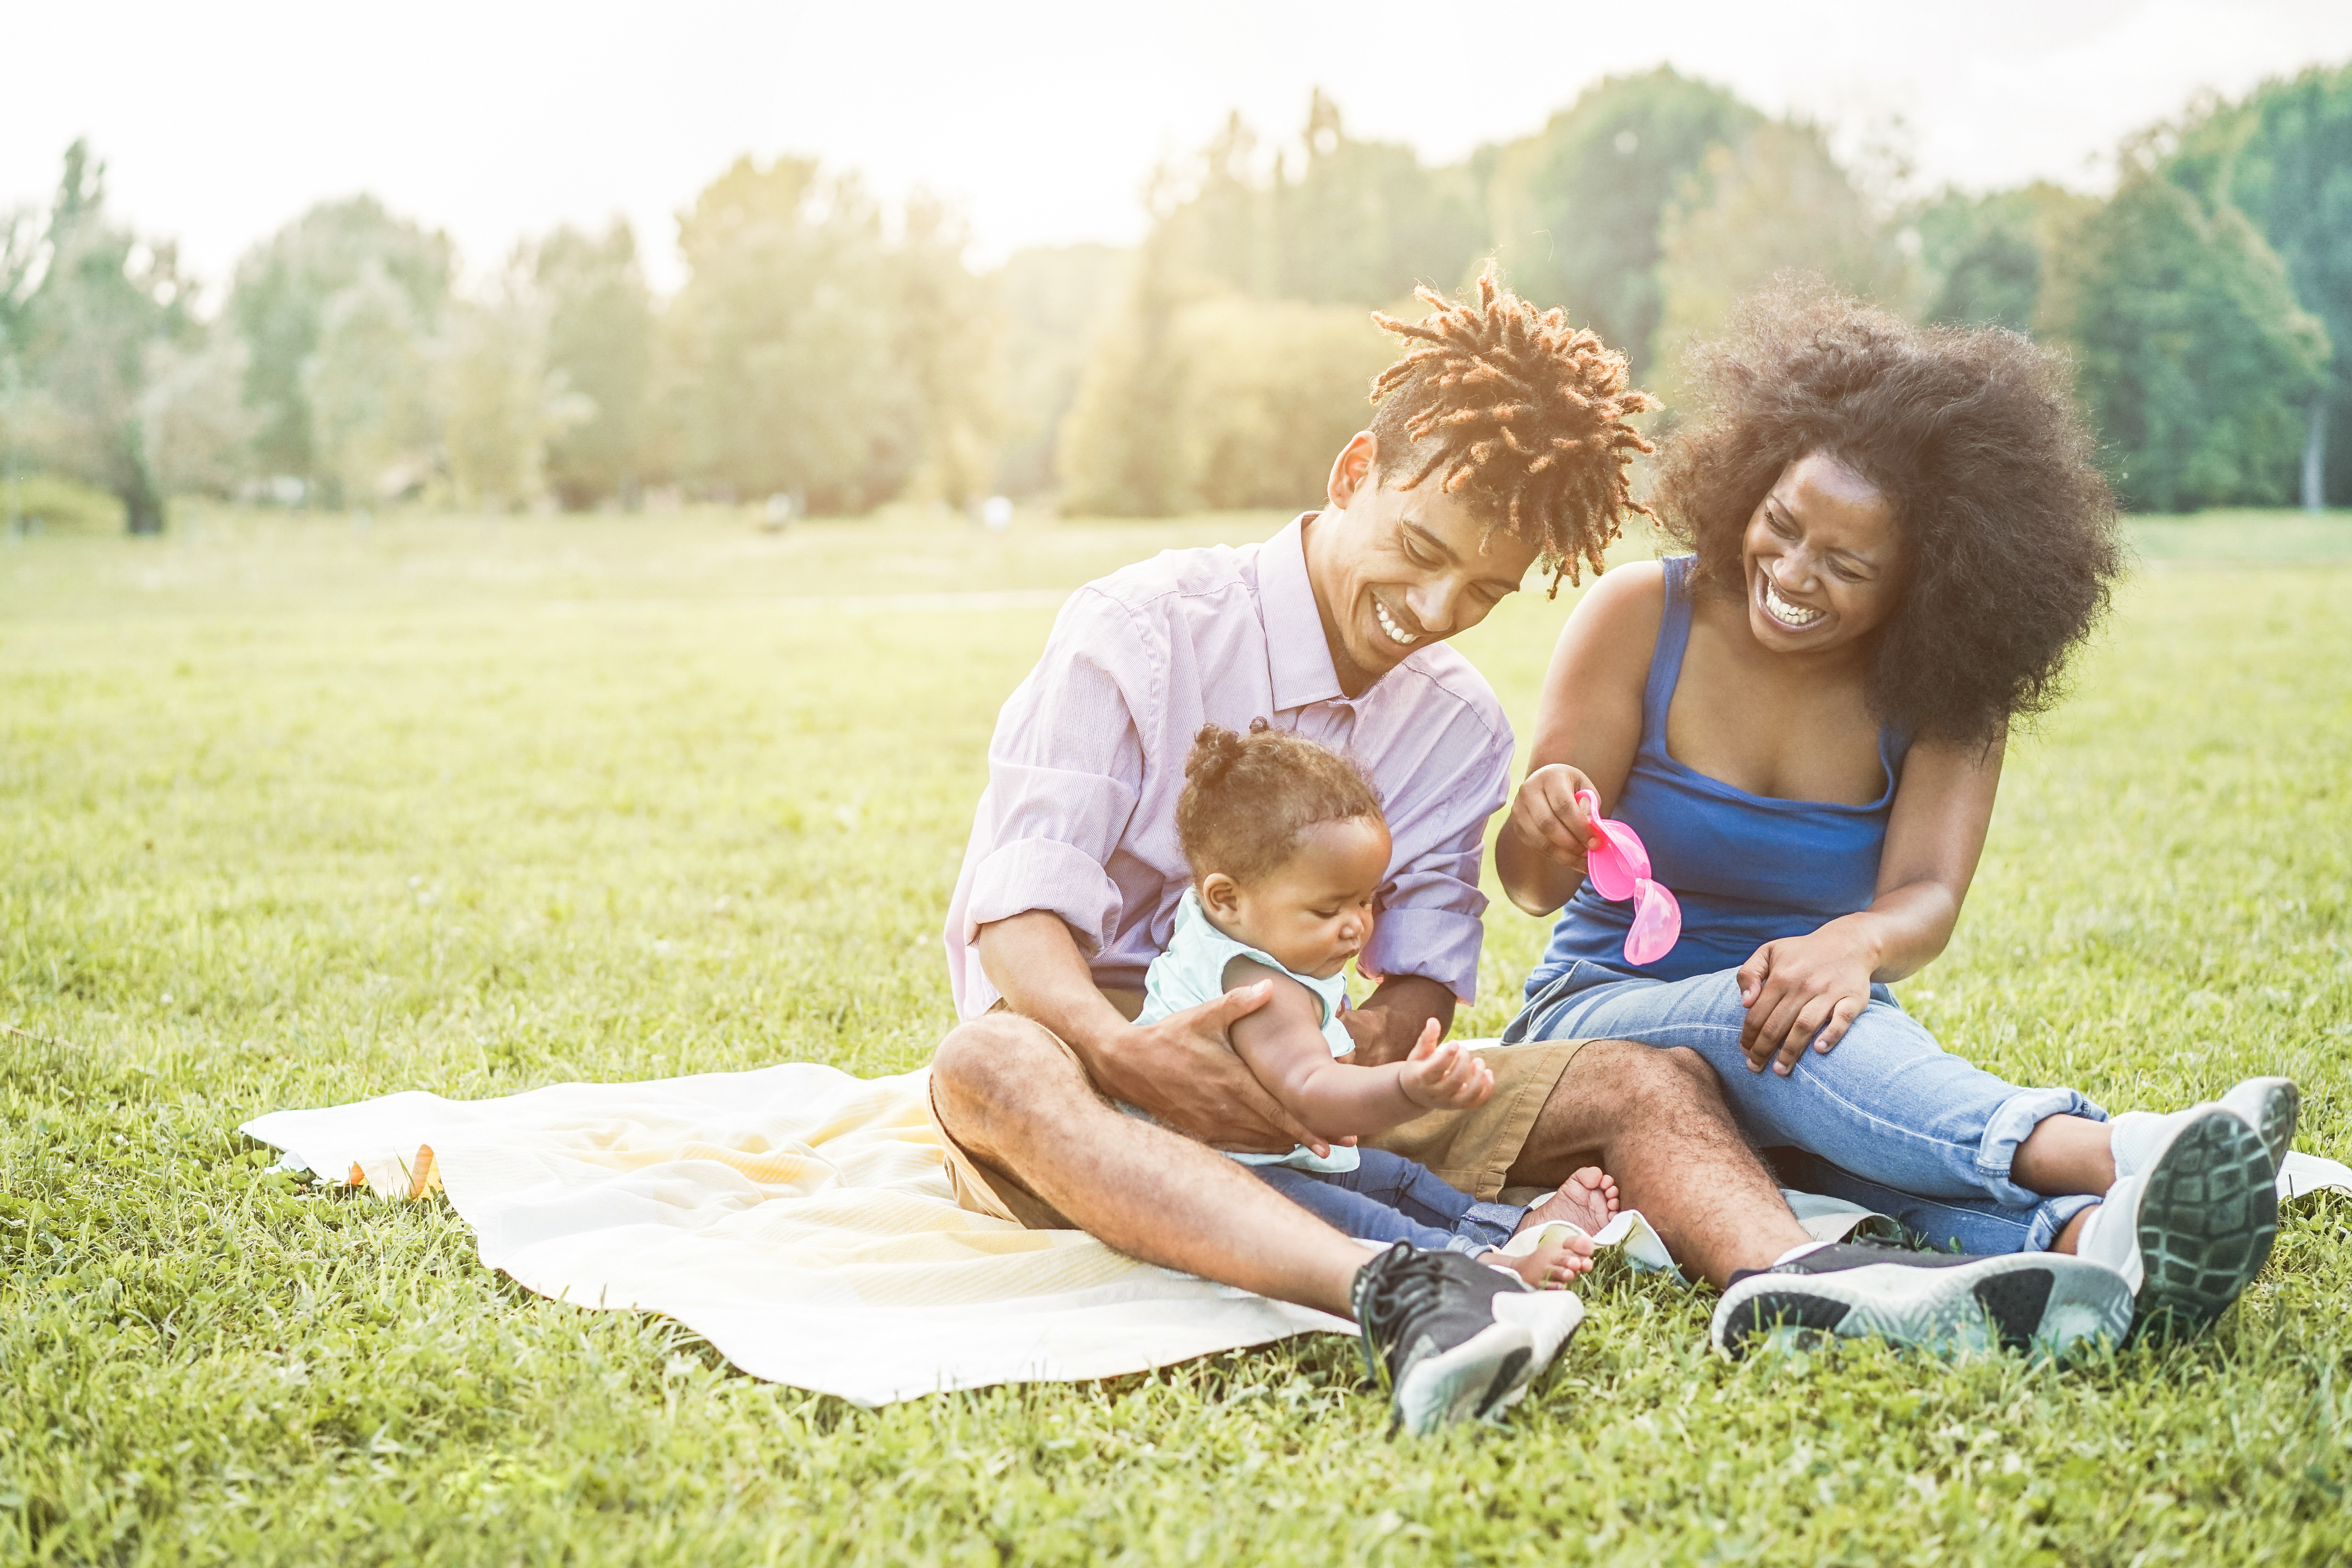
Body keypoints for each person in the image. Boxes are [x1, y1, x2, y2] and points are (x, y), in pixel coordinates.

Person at [928, 265, 2137, 1436]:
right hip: (1097, 1067)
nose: (1438, 609)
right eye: (1420, 546)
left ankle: (1800, 1276)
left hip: (1325, 1089)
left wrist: (1362, 1061)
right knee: (986, 1063)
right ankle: (1393, 1284)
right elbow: (1017, 914)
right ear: (1358, 471)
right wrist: (1130, 1051)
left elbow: (1417, 975)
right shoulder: (1137, 633)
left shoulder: (1452, 720)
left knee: (1643, 1073)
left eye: (1485, 589)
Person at [1494, 286, 2296, 1349]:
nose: (1789, 573)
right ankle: (2124, 1153)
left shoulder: (1946, 687)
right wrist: (1542, 822)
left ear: (1924, 583)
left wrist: (1852, 945)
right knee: (1790, 1020)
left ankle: (2100, 1243)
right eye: (1780, 527)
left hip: (1817, 1013)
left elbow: (1926, 896)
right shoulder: (1645, 616)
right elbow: (1531, 884)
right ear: (1749, 485)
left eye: (1846, 565)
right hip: (1600, 1017)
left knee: (1869, 1128)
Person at [1137, 719, 1619, 1291]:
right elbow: (1313, 1097)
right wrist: (1407, 1089)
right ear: (1226, 898)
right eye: (1326, 910)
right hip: (1223, 1182)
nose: (1355, 927)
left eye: (1365, 901)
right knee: (1365, 1220)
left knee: (1395, 1176)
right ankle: (1488, 1271)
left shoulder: (1227, 924)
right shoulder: (1259, 991)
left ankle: (1513, 1226)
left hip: (1271, 1156)